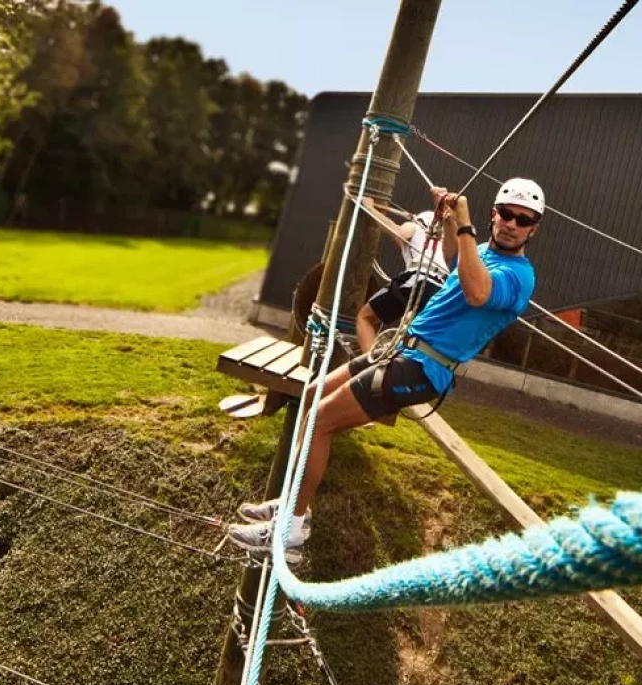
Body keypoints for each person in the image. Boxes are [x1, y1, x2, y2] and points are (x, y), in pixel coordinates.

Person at [229, 177, 546, 560]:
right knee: (311, 395)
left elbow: (478, 292)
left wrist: (463, 222)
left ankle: (292, 532)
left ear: (534, 228)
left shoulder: (520, 276)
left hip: (423, 369)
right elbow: (456, 261)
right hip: (401, 353)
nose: (513, 224)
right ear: (495, 214)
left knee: (320, 419)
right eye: (508, 214)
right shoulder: (481, 251)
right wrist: (449, 222)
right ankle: (290, 505)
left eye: (524, 220)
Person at [354, 207, 449, 354]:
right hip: (441, 290)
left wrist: (368, 206)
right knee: (414, 335)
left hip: (419, 279)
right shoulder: (447, 245)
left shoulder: (415, 227)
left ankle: (370, 367)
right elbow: (398, 238)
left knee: (365, 318)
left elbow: (397, 231)